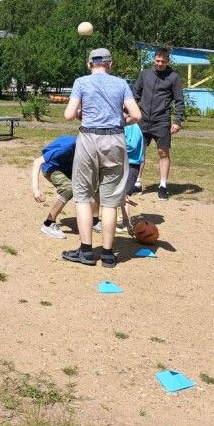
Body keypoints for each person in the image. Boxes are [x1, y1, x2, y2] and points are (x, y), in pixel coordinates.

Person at [62, 48, 141, 268]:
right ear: (110, 64)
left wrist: (82, 113)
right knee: (110, 200)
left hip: (88, 138)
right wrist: (120, 121)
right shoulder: (121, 84)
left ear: (90, 65)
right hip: (115, 139)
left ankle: (86, 251)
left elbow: (69, 114)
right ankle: (107, 254)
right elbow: (136, 115)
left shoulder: (81, 82)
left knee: (83, 195)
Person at [132, 47, 184, 200]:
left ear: (167, 61)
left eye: (163, 61)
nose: (160, 64)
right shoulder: (145, 74)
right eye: (157, 61)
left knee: (163, 152)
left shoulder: (173, 77)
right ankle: (137, 182)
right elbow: (134, 95)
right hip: (142, 120)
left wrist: (177, 120)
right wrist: (131, 114)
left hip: (161, 121)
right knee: (138, 153)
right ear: (153, 60)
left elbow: (179, 101)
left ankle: (162, 185)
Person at [30, 135, 76, 239]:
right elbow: (37, 162)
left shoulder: (90, 146)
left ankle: (94, 221)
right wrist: (36, 190)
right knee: (68, 188)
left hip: (68, 166)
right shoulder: (67, 147)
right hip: (51, 167)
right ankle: (48, 223)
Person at [122, 121, 144, 234]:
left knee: (124, 194)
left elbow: (131, 146)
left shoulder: (133, 127)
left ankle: (126, 224)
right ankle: (125, 222)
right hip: (120, 163)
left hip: (131, 165)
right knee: (121, 196)